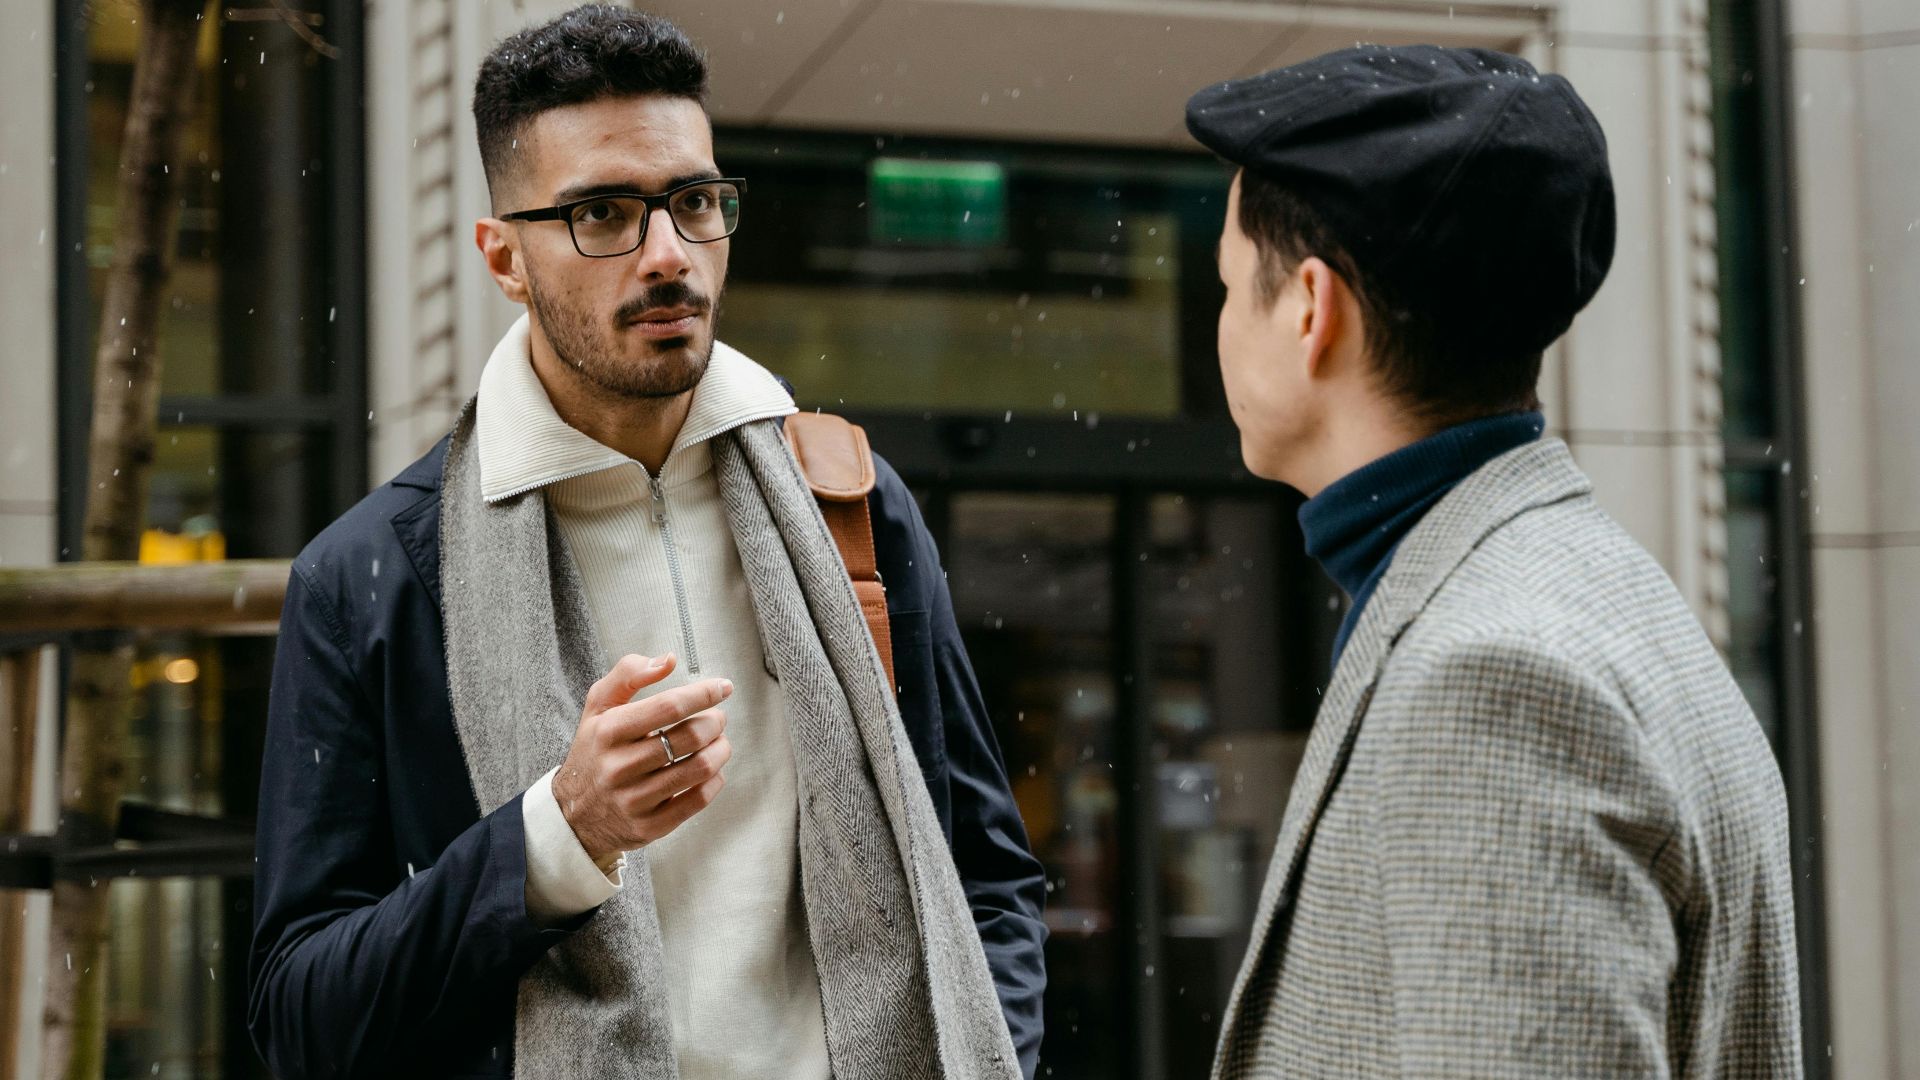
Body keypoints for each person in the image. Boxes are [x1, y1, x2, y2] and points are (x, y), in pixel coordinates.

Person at [245, 7, 1045, 1078]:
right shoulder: (371, 578)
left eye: (694, 202)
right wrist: (559, 835)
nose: (668, 256)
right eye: (603, 214)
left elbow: (986, 880)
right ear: (504, 258)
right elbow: (301, 1015)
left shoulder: (847, 502)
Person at [1185, 45, 1802, 1078]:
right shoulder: (1593, 592)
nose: (1219, 328)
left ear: (1309, 309)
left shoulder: (1492, 677)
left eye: (1226, 287)